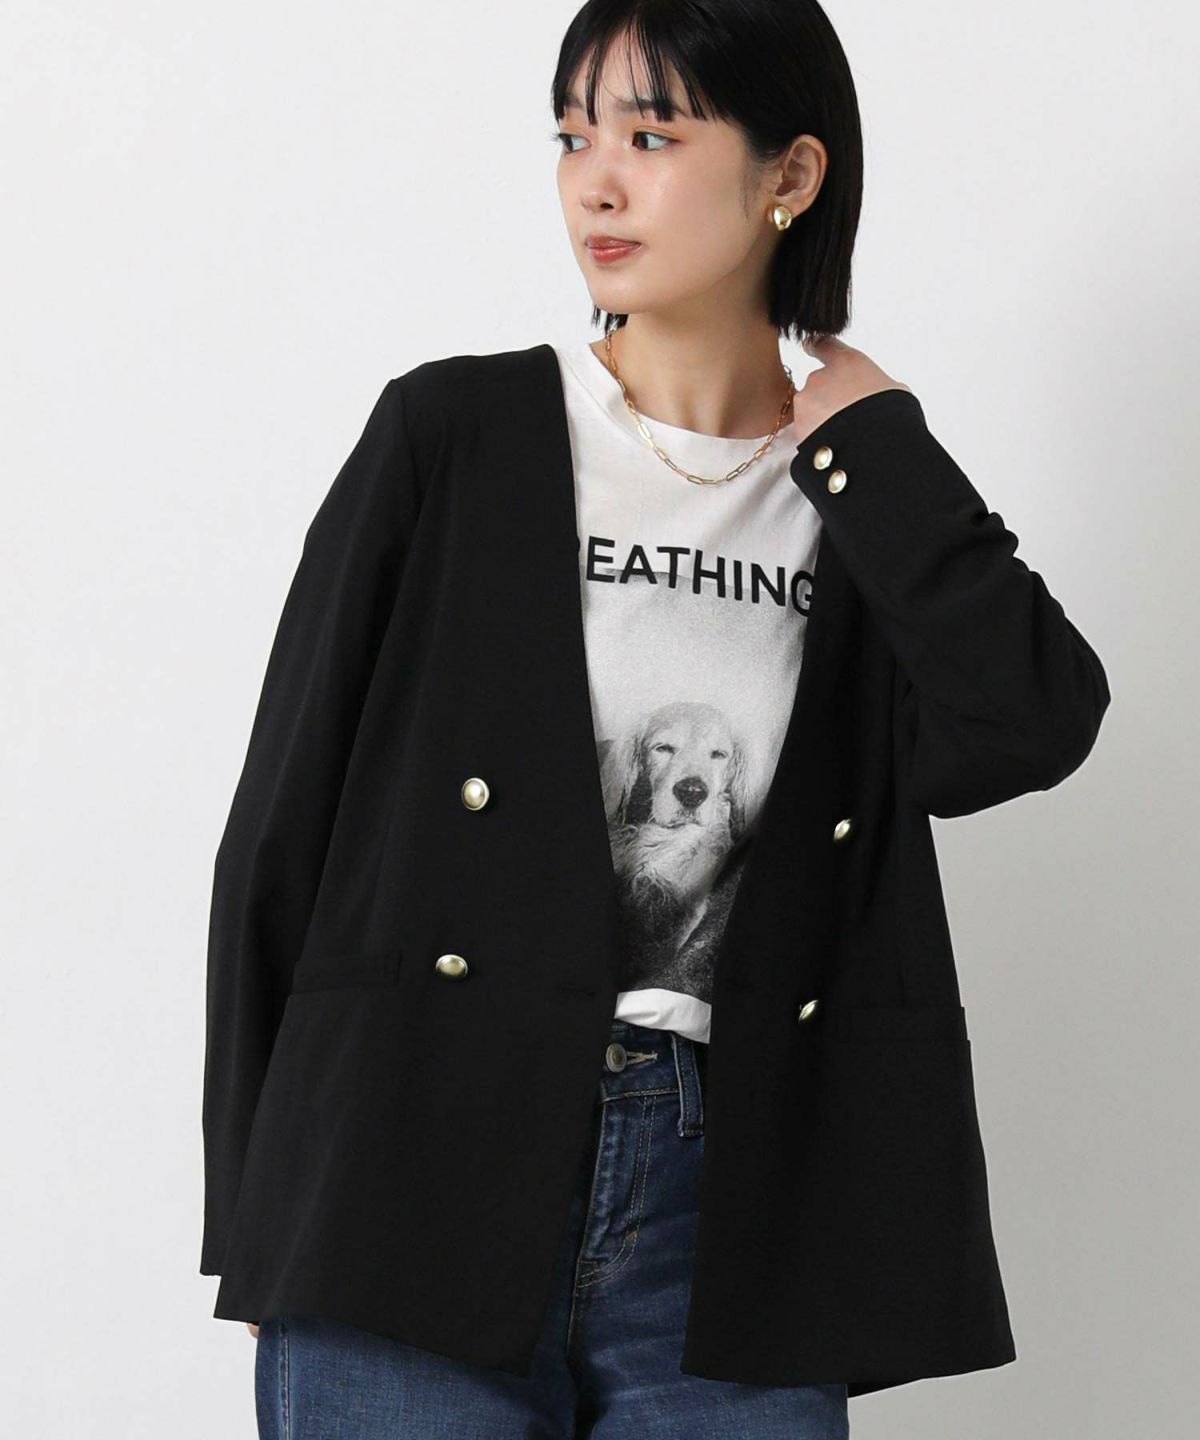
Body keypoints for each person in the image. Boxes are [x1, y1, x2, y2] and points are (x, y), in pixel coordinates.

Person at [204, 3, 1110, 1437]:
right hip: (407, 1158)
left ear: (788, 175)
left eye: (652, 134)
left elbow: (1032, 721)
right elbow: (284, 825)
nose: (597, 183)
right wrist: (258, 1208)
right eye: (574, 136)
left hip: (730, 1202)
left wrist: (879, 448)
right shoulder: (455, 436)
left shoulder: (849, 502)